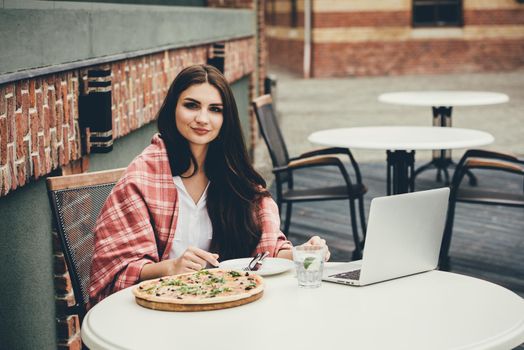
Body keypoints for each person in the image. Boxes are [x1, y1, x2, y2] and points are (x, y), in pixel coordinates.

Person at [89, 64, 330, 306]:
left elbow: (266, 249)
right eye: (191, 105)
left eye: (215, 109)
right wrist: (171, 267)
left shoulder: (234, 177)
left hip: (227, 304)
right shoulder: (141, 179)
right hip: (162, 310)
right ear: (173, 108)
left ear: (226, 119)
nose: (203, 119)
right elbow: (116, 271)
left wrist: (303, 253)